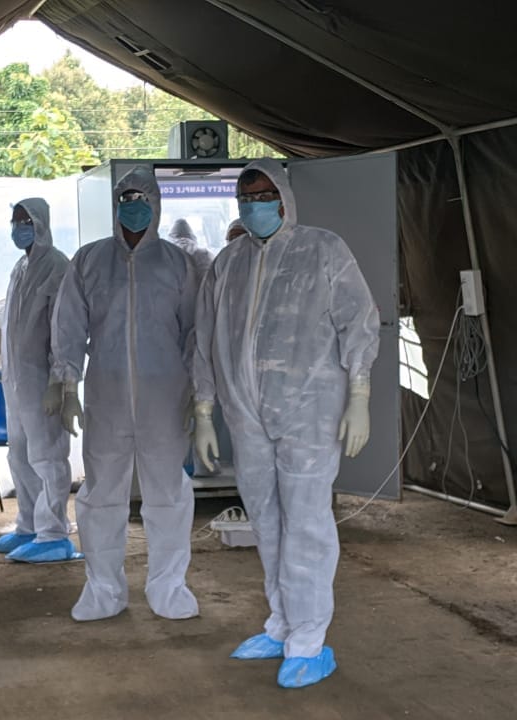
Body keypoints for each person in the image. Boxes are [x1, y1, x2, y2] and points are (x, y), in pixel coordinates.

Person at [193, 159, 380, 688]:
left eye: (263, 192)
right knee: (266, 520)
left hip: (309, 410)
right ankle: (280, 623)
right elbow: (205, 340)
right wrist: (204, 411)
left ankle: (309, 640)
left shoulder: (323, 249)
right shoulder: (227, 263)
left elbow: (358, 321)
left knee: (306, 522)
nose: (254, 203)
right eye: (245, 195)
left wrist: (359, 394)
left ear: (283, 197)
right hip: (246, 414)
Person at [51, 165, 200, 622]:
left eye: (142, 198)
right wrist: (66, 382)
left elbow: (195, 331)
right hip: (108, 395)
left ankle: (169, 589)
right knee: (101, 495)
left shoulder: (178, 264)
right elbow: (69, 325)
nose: (134, 207)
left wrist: (199, 391)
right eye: (126, 198)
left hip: (165, 396)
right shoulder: (90, 260)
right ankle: (103, 591)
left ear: (156, 204)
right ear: (116, 205)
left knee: (168, 494)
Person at [0, 198, 77, 563]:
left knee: (47, 455)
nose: (18, 227)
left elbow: (64, 328)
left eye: (25, 221)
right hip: (15, 378)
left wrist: (60, 381)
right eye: (14, 221)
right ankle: (27, 524)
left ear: (42, 223)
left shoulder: (56, 266)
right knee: (19, 454)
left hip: (42, 378)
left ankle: (54, 532)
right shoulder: (21, 267)